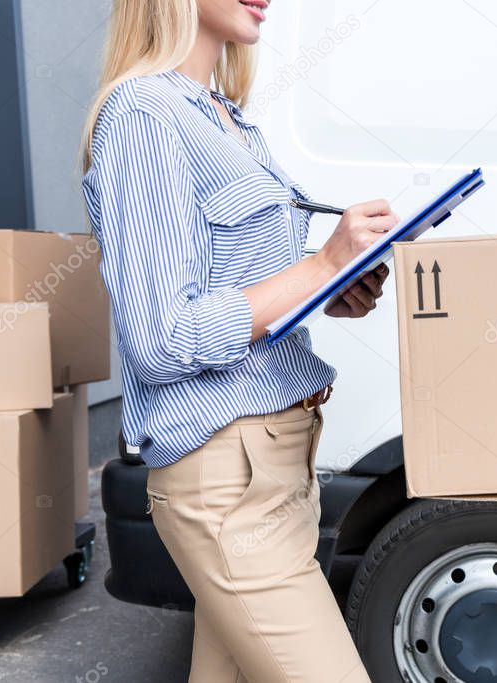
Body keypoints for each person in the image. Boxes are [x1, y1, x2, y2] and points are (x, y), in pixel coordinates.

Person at [81, 1, 393, 680]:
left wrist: (326, 287)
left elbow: (237, 290)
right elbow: (161, 337)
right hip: (226, 480)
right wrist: (320, 264)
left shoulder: (227, 120)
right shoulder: (143, 116)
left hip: (279, 466)